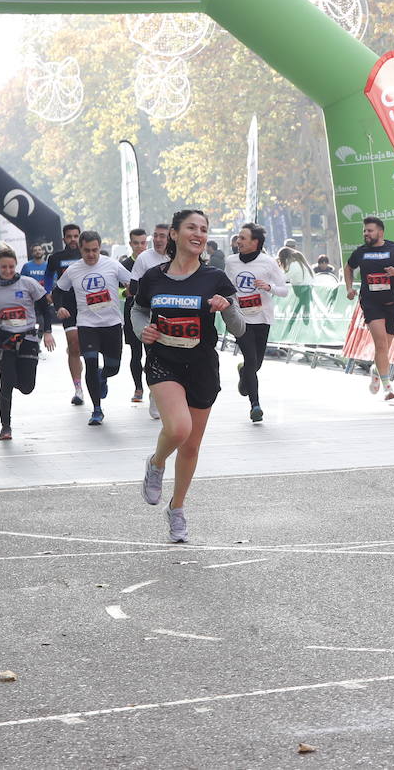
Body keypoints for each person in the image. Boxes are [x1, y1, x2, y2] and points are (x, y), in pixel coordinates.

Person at [133, 208, 245, 542]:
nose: (199, 233)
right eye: (192, 228)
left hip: (201, 366)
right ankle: (156, 463)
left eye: (204, 229)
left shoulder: (216, 279)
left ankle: (177, 508)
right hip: (163, 361)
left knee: (192, 446)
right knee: (178, 429)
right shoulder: (153, 277)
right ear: (175, 233)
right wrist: (143, 332)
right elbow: (138, 310)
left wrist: (226, 309)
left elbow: (239, 328)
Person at [54, 230, 132, 425]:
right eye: (87, 250)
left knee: (113, 368)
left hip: (112, 324)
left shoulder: (112, 265)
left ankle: (103, 375)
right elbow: (57, 291)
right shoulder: (73, 270)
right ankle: (97, 410)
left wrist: (132, 290)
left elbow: (132, 283)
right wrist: (60, 307)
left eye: (95, 250)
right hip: (87, 325)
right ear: (80, 249)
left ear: (100, 248)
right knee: (89, 363)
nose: (91, 255)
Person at [0, 247, 54, 440]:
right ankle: (6, 426)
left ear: (16, 265)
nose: (7, 270)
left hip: (28, 338)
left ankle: (15, 376)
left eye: (11, 266)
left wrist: (47, 332)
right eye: (4, 267)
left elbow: (45, 310)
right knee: (6, 381)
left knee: (27, 387)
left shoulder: (28, 284)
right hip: (4, 340)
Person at [344, 218, 394, 400]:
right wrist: (349, 288)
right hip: (370, 303)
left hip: (391, 303)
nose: (366, 234)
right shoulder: (361, 252)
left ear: (381, 232)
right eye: (364, 231)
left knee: (385, 349)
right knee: (381, 344)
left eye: (370, 231)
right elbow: (348, 267)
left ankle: (376, 369)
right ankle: (387, 386)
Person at [226, 222, 288, 422]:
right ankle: (255, 405)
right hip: (240, 318)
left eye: (243, 238)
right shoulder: (231, 261)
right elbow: (226, 287)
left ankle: (244, 373)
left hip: (262, 318)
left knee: (255, 364)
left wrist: (268, 287)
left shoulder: (268, 262)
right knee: (251, 360)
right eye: (238, 237)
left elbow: (284, 290)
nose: (238, 241)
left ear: (255, 242)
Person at [130, 223, 171, 419]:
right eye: (155, 236)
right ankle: (155, 398)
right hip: (149, 316)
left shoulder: (176, 256)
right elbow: (133, 287)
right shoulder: (144, 258)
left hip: (172, 316)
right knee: (153, 358)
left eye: (162, 236)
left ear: (170, 237)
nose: (158, 239)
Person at [45, 224, 85, 404]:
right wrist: (47, 293)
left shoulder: (87, 254)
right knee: (74, 345)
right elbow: (48, 276)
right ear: (64, 239)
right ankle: (78, 389)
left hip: (88, 307)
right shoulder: (56, 258)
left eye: (76, 236)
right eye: (69, 237)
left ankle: (92, 369)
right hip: (67, 307)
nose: (73, 240)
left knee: (85, 348)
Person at [119, 229, 149, 403]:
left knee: (153, 353)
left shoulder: (154, 262)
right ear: (130, 244)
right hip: (132, 313)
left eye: (143, 243)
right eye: (136, 243)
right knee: (136, 352)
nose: (140, 246)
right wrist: (126, 293)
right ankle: (138, 388)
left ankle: (155, 387)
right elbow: (117, 289)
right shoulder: (124, 265)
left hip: (153, 314)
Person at [278, 245, 316, 329]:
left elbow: (283, 278)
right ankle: (298, 327)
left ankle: (289, 328)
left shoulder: (294, 264)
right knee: (301, 311)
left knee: (297, 313)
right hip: (306, 290)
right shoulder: (299, 263)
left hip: (302, 290)